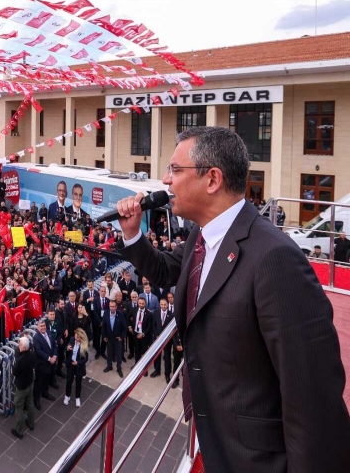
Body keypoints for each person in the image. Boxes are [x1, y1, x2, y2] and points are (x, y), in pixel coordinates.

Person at [115, 126, 350, 473]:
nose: (166, 180)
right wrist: (132, 234)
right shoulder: (202, 233)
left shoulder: (275, 259)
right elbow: (167, 272)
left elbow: (314, 401)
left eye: (175, 170)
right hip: (216, 444)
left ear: (212, 179)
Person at [10, 337, 35, 440]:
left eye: (19, 345)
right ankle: (31, 423)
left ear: (24, 347)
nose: (18, 346)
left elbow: (15, 372)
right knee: (29, 403)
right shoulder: (32, 354)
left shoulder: (20, 360)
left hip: (21, 387)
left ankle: (19, 431)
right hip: (29, 383)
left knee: (19, 408)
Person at [151, 298, 180, 385]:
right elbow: (154, 325)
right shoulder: (155, 313)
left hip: (167, 340)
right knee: (157, 356)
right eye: (161, 304)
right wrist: (156, 335)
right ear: (159, 304)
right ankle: (157, 370)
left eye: (165, 305)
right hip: (157, 339)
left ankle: (167, 374)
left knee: (167, 357)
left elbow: (172, 329)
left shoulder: (171, 315)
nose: (163, 306)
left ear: (167, 305)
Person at [31, 319, 56, 411]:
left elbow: (54, 345)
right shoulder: (36, 338)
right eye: (41, 326)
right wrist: (50, 359)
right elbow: (39, 351)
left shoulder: (49, 333)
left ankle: (45, 393)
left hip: (50, 362)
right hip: (41, 365)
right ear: (38, 327)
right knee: (38, 383)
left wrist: (55, 355)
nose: (43, 327)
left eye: (44, 326)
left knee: (46, 379)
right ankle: (36, 399)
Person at [63, 328, 88, 407]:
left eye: (77, 337)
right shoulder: (72, 339)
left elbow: (85, 359)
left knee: (78, 382)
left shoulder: (84, 345)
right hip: (70, 364)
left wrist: (78, 362)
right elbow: (67, 349)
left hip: (78, 366)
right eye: (75, 336)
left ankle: (77, 397)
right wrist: (67, 348)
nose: (76, 338)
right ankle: (67, 396)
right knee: (69, 381)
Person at [101, 300, 126, 378]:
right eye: (110, 306)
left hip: (117, 339)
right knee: (109, 353)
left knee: (118, 355)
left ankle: (119, 368)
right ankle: (109, 366)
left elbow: (124, 328)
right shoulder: (105, 313)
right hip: (109, 338)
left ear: (116, 307)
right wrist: (104, 336)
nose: (111, 308)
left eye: (113, 306)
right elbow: (104, 326)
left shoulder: (120, 315)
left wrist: (121, 337)